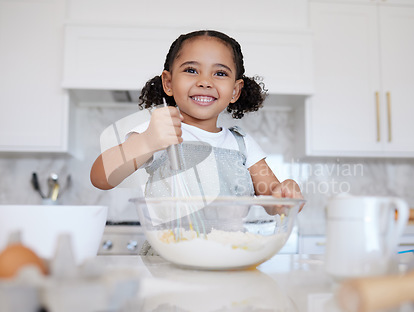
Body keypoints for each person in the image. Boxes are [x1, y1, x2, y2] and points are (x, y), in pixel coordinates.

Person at [90, 30, 303, 202]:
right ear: (169, 83)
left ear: (235, 91)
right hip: (170, 254)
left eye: (220, 73)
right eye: (191, 70)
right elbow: (101, 178)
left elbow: (272, 197)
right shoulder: (158, 132)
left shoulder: (242, 145)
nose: (205, 81)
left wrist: (284, 191)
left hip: (230, 252)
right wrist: (147, 141)